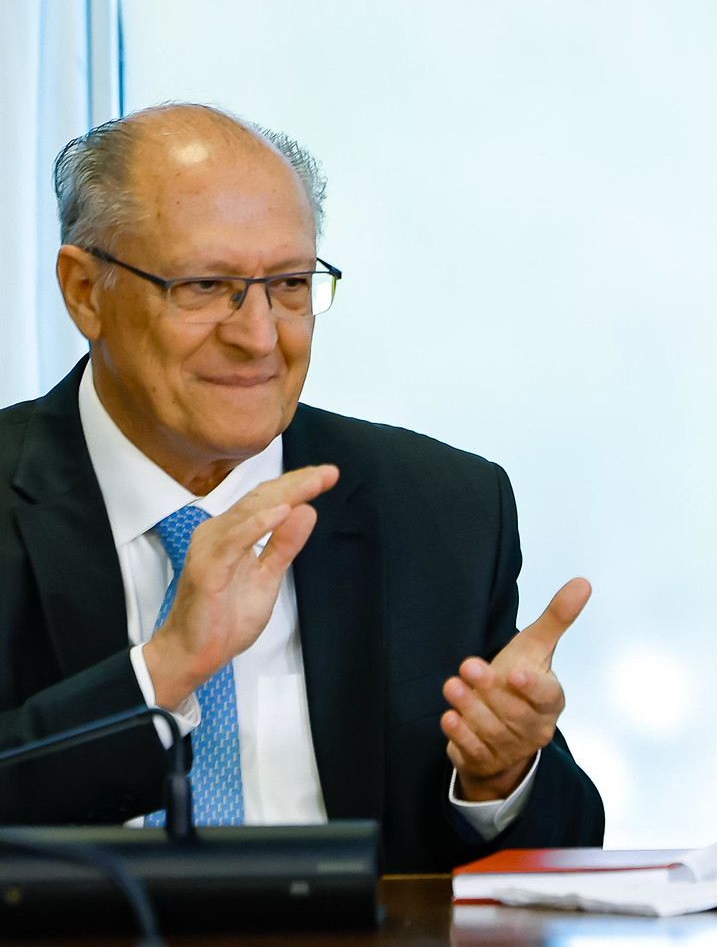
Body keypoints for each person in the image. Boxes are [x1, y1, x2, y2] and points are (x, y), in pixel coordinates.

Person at [0, 104, 604, 871]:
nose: (259, 337)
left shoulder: (443, 510)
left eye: (289, 284)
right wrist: (165, 669)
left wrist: (498, 778)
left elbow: (569, 859)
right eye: (206, 285)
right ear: (85, 290)